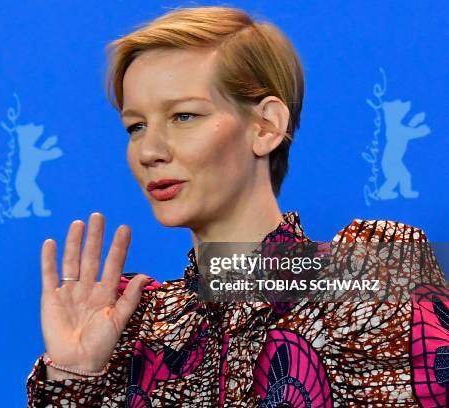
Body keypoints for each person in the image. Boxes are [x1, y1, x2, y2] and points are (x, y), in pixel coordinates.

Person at [26, 6, 449, 407]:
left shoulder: (369, 288)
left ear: (266, 126)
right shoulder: (135, 329)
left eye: (184, 116)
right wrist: (75, 378)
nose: (149, 150)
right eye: (136, 126)